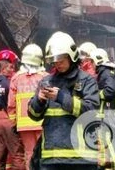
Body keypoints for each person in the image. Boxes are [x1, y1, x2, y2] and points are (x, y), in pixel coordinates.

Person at [28, 31, 100, 169]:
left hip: (81, 159)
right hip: (52, 157)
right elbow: (34, 115)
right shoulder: (46, 81)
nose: (58, 64)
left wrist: (61, 97)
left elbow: (91, 112)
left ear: (71, 57)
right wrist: (39, 100)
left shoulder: (86, 81)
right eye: (55, 62)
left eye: (61, 61)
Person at [8, 44, 47, 169]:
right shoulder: (45, 77)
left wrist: (13, 123)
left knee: (29, 153)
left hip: (24, 125)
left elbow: (11, 104)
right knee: (44, 153)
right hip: (42, 122)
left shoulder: (16, 78)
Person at [0, 49, 24, 170]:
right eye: (11, 67)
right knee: (17, 155)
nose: (13, 70)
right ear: (4, 68)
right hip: (8, 120)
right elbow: (13, 103)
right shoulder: (10, 83)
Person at [90, 48, 115, 169]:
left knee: (109, 141)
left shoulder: (105, 73)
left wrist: (97, 94)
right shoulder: (108, 71)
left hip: (109, 113)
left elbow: (110, 91)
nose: (91, 64)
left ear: (97, 60)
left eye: (92, 61)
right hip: (113, 112)